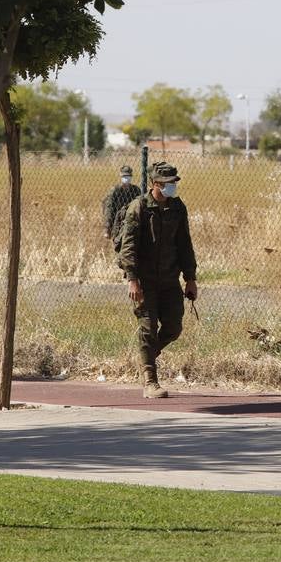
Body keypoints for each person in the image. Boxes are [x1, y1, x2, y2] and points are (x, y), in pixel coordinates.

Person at [116, 161, 197, 398]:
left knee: (173, 328)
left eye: (174, 183)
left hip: (170, 280)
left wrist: (190, 278)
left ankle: (147, 356)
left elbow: (185, 244)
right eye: (168, 184)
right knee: (148, 328)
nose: (172, 187)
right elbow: (128, 247)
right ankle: (150, 381)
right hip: (145, 280)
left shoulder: (178, 207)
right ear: (155, 184)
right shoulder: (138, 208)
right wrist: (132, 279)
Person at [102, 165, 142, 246]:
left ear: (131, 176)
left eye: (128, 176)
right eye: (124, 176)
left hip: (132, 222)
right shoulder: (115, 191)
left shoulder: (136, 190)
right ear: (121, 176)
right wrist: (107, 228)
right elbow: (108, 209)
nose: (126, 178)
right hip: (117, 223)